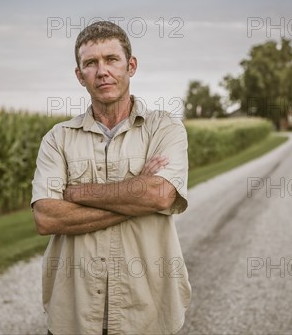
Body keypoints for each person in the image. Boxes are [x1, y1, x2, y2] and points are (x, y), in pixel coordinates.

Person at [31, 20, 191, 335]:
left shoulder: (164, 128)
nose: (102, 71)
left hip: (147, 315)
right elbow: (47, 218)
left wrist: (75, 194)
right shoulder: (58, 138)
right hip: (74, 317)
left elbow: (158, 195)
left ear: (130, 66)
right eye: (91, 63)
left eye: (111, 59)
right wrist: (135, 194)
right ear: (80, 75)